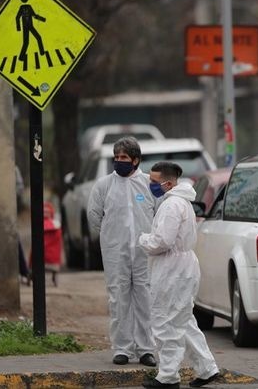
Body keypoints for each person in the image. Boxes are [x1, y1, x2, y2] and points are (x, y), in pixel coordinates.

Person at [138, 162, 220, 389]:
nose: (151, 185)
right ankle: (206, 368)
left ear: (169, 183)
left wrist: (143, 239)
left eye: (155, 182)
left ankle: (168, 376)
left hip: (172, 270)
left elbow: (162, 241)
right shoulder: (180, 202)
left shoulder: (171, 205)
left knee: (166, 322)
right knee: (182, 320)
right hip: (181, 267)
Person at [87, 136, 157, 367]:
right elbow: (94, 216)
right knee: (118, 299)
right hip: (115, 253)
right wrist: (110, 238)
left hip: (144, 253)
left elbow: (160, 215)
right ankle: (122, 349)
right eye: (116, 157)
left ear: (136, 160)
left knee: (145, 299)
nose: (119, 161)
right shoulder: (104, 185)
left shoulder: (149, 184)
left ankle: (146, 349)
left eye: (124, 157)